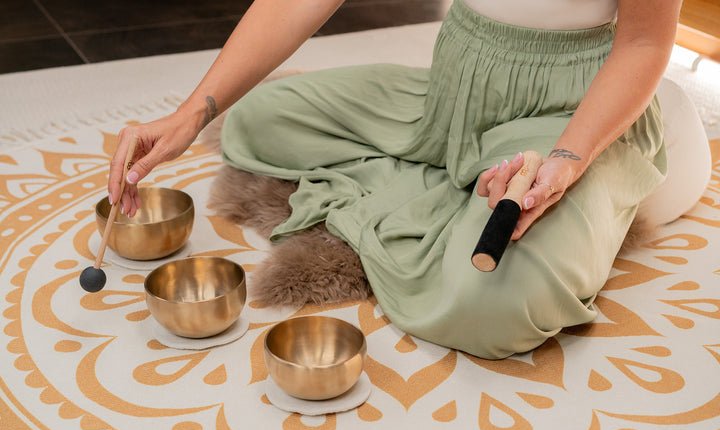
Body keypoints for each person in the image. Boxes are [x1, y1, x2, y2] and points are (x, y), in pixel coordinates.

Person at [108, 0, 687, 359]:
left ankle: (581, 185)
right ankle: (444, 183)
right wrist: (190, 114)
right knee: (255, 121)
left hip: (571, 113)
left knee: (490, 305)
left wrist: (568, 158)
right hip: (452, 94)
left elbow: (645, 41)